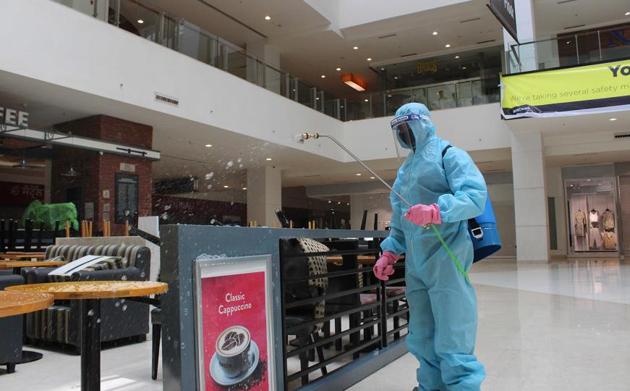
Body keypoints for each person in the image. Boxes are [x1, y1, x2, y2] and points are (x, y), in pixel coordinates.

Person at [373, 102, 487, 390]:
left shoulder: (450, 155)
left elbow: (475, 196)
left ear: (421, 123)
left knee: (453, 330)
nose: (404, 133)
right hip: (416, 264)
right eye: (398, 129)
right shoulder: (404, 172)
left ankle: (462, 386)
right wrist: (389, 251)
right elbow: (400, 222)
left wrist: (437, 210)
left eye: (407, 126)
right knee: (422, 334)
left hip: (447, 253)